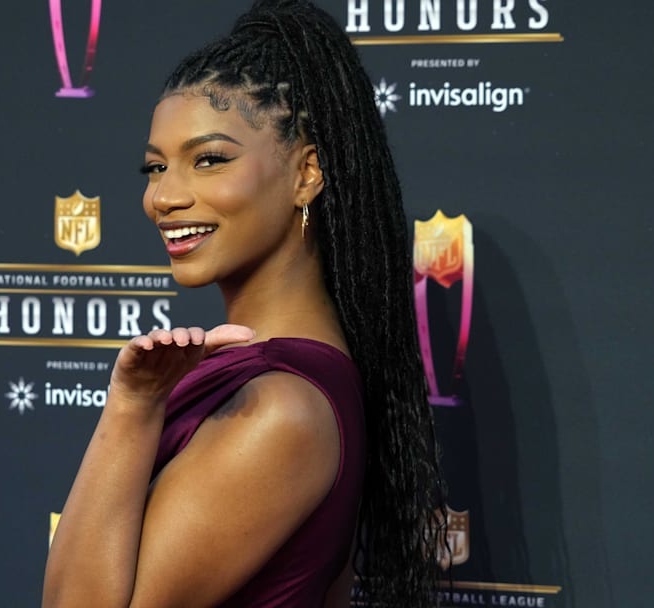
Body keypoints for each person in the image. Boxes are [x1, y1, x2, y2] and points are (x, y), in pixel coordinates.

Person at [42, 1, 446, 606]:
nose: (164, 197)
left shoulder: (279, 410)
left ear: (307, 173)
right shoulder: (280, 380)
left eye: (210, 159)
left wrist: (131, 408)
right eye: (155, 167)